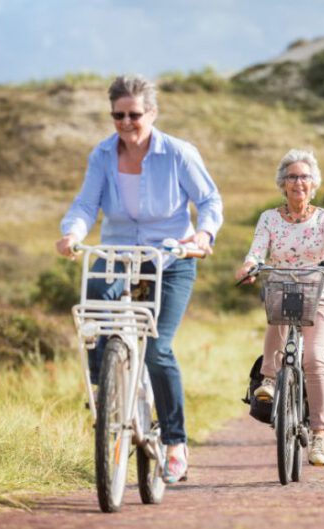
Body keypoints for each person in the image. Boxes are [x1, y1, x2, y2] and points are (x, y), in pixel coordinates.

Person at [56, 74, 223, 483]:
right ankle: (106, 387)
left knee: (157, 348)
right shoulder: (102, 155)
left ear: (152, 113)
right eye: (118, 115)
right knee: (94, 304)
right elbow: (85, 203)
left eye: (134, 114)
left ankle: (175, 442)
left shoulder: (178, 153)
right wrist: (73, 233)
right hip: (118, 254)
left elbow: (208, 200)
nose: (126, 123)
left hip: (170, 258)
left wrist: (202, 235)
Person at [234, 149, 324, 466]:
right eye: (292, 176)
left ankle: (319, 434)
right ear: (283, 183)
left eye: (304, 176)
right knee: (276, 318)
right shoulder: (269, 218)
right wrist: (248, 267)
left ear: (313, 183)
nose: (298, 182)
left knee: (314, 358)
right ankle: (269, 381)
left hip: (320, 293)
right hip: (282, 289)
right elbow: (257, 251)